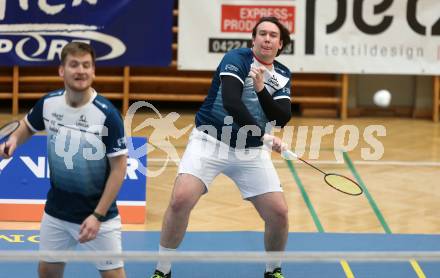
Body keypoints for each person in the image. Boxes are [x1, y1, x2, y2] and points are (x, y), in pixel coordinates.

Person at [150, 17, 292, 278]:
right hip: (210, 142)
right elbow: (231, 103)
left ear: (280, 44)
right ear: (254, 39)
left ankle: (273, 271)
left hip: (250, 152)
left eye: (273, 35)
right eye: (262, 34)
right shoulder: (236, 59)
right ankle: (162, 269)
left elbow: (282, 117)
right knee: (180, 200)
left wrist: (261, 90)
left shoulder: (281, 75)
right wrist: (264, 136)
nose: (267, 39)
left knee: (279, 213)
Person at [0, 42, 128, 278]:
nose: (81, 70)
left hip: (98, 215)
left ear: (94, 71)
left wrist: (97, 216)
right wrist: (15, 139)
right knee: (47, 272)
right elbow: (27, 126)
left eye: (86, 65)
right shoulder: (49, 103)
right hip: (57, 212)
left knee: (113, 276)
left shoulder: (107, 114)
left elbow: (119, 169)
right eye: (74, 65)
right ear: (61, 70)